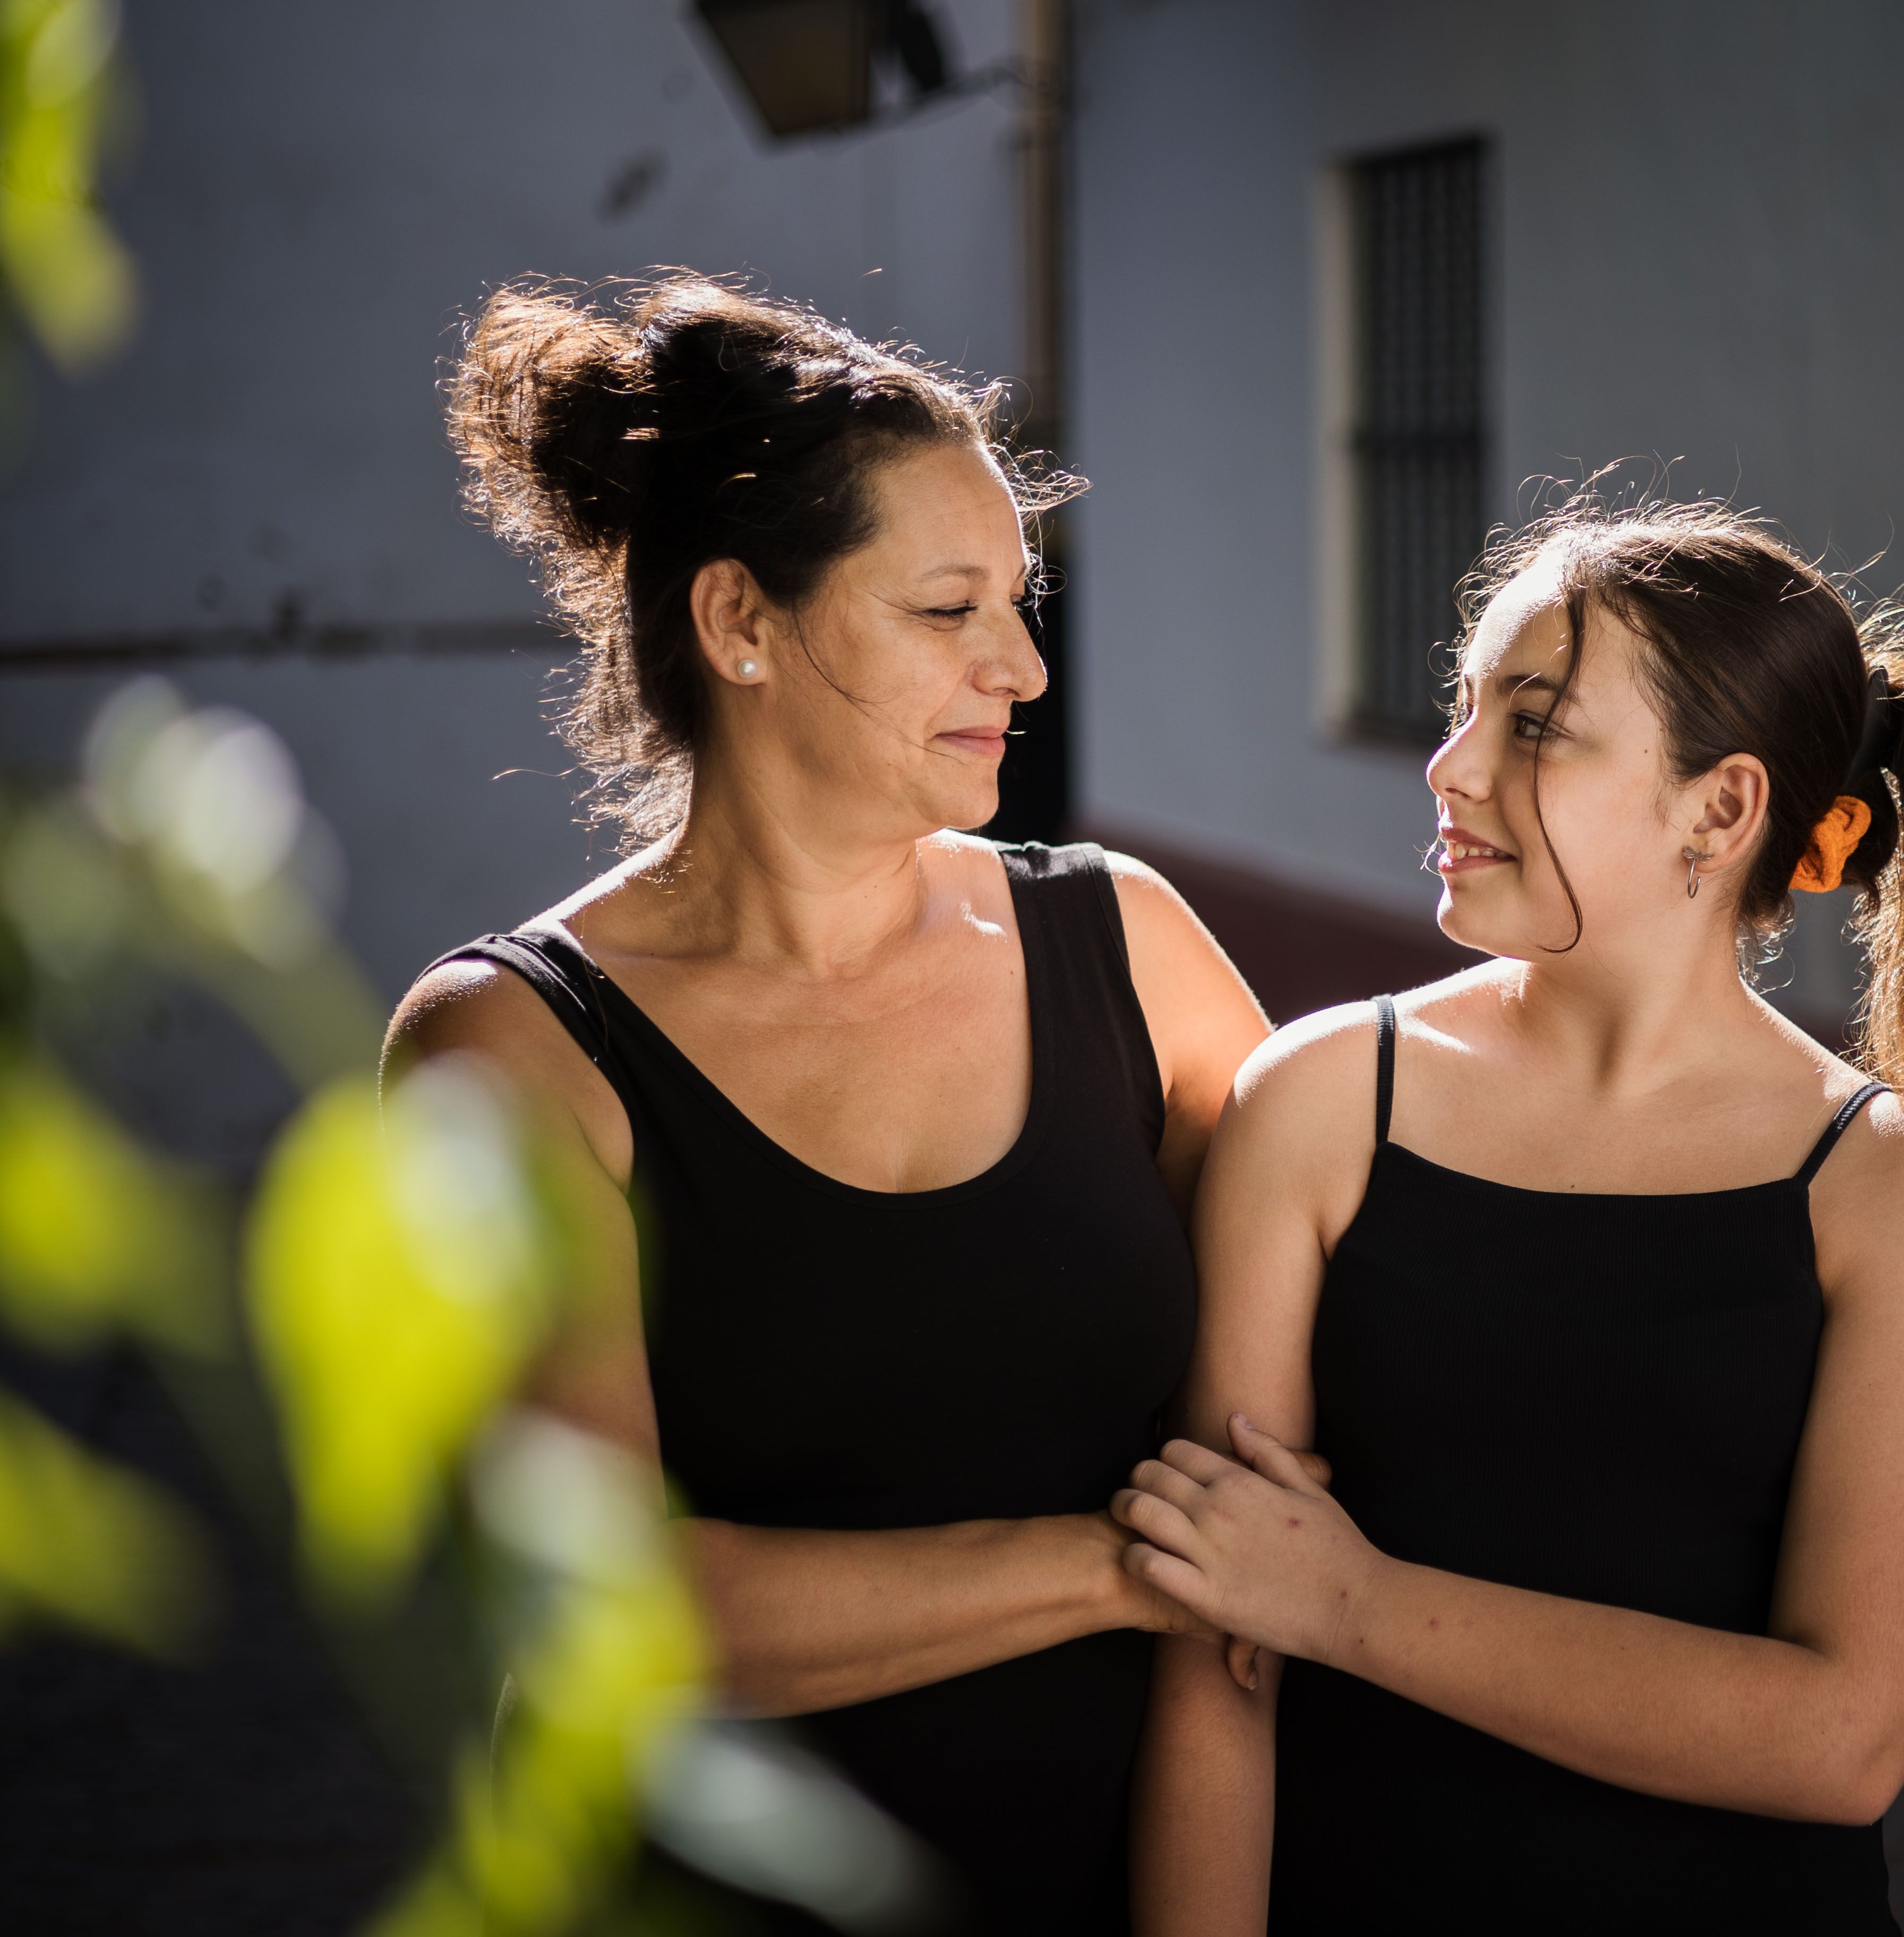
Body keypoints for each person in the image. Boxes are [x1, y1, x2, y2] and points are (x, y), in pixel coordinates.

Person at [1118, 502, 1904, 1934]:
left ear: (1722, 810)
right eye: (1464, 707)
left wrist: (1349, 1605)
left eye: (1535, 726)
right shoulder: (1317, 1098)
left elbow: (1844, 1741)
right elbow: (1213, 1641)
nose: (1451, 767)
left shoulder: (1889, 1189)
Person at [384, 275, 1269, 1934]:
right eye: (948, 612)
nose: (1019, 664)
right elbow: (612, 1605)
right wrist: (1120, 1565)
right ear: (741, 625)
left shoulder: (1126, 940)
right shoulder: (510, 1045)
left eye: (1021, 602)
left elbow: (1336, 1327)